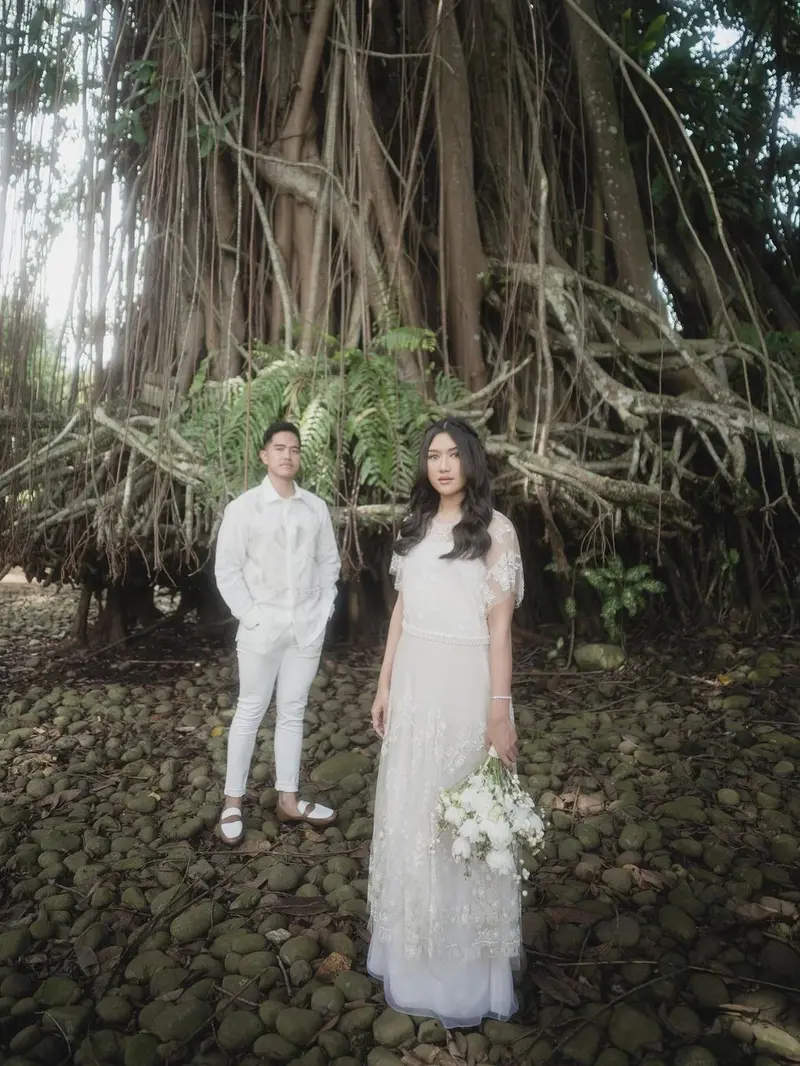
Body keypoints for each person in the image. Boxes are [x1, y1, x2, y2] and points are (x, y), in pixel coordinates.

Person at [367, 417, 524, 1029]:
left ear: (472, 462)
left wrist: (499, 710)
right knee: (411, 811)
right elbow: (402, 611)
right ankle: (411, 957)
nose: (442, 465)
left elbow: (501, 630)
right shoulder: (415, 526)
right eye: (433, 455)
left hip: (465, 685)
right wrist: (383, 682)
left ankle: (464, 976)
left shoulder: (496, 532)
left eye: (453, 454)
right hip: (413, 681)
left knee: (460, 817)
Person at [214, 420, 341, 844]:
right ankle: (233, 801)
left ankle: (288, 798)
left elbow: (329, 564)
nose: (288, 455)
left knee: (292, 711)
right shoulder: (244, 508)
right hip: (261, 629)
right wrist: (250, 617)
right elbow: (227, 570)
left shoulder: (315, 508)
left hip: (306, 629)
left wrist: (323, 611)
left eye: (294, 449)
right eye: (279, 448)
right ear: (264, 455)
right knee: (250, 710)